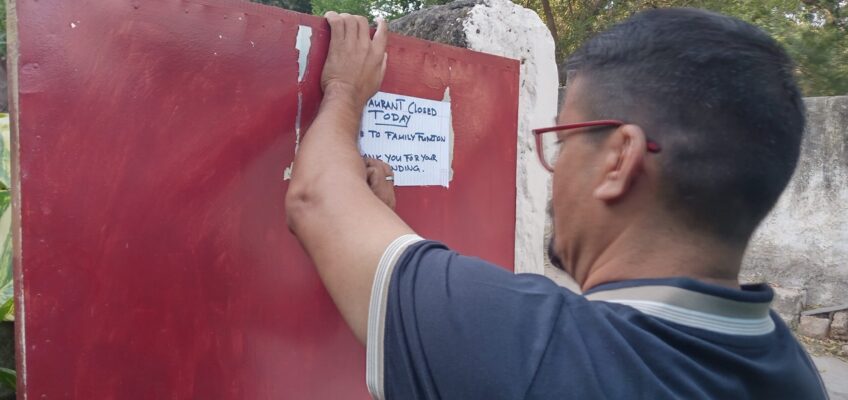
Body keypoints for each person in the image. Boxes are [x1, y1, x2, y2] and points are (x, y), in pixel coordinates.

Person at [285, 7, 828, 399]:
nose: (552, 168)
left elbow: (317, 198)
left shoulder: (537, 344)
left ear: (619, 159)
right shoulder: (791, 367)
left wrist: (344, 90)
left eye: (564, 140)